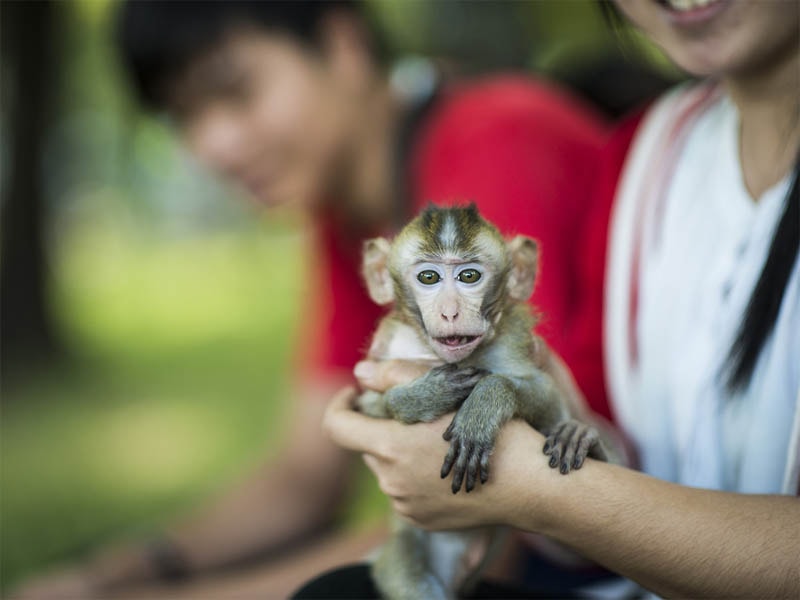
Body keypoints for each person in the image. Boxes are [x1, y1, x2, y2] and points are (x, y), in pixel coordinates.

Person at [14, 2, 628, 597]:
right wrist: (117, 573)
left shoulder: (492, 143)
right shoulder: (350, 212)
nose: (213, 146)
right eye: (184, 116)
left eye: (235, 92)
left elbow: (485, 514)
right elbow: (306, 473)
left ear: (343, 44)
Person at [320, 0, 800, 597]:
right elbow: (605, 476)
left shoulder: (501, 133)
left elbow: (564, 489)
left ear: (519, 274)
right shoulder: (643, 155)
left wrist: (530, 485)